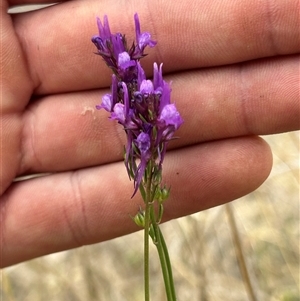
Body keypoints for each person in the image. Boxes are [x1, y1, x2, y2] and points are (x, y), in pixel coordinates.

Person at [1, 0, 299, 268]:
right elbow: (128, 109)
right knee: (143, 158)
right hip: (145, 129)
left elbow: (148, 113)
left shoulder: (148, 102)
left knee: (149, 159)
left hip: (152, 130)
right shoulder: (127, 93)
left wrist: (149, 126)